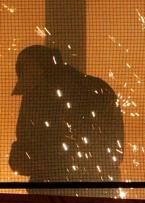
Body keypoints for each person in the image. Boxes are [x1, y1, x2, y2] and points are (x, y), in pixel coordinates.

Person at [9, 44, 124, 192]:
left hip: (51, 198)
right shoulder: (100, 89)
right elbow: (113, 153)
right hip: (100, 194)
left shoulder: (38, 98)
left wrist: (36, 160)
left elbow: (23, 156)